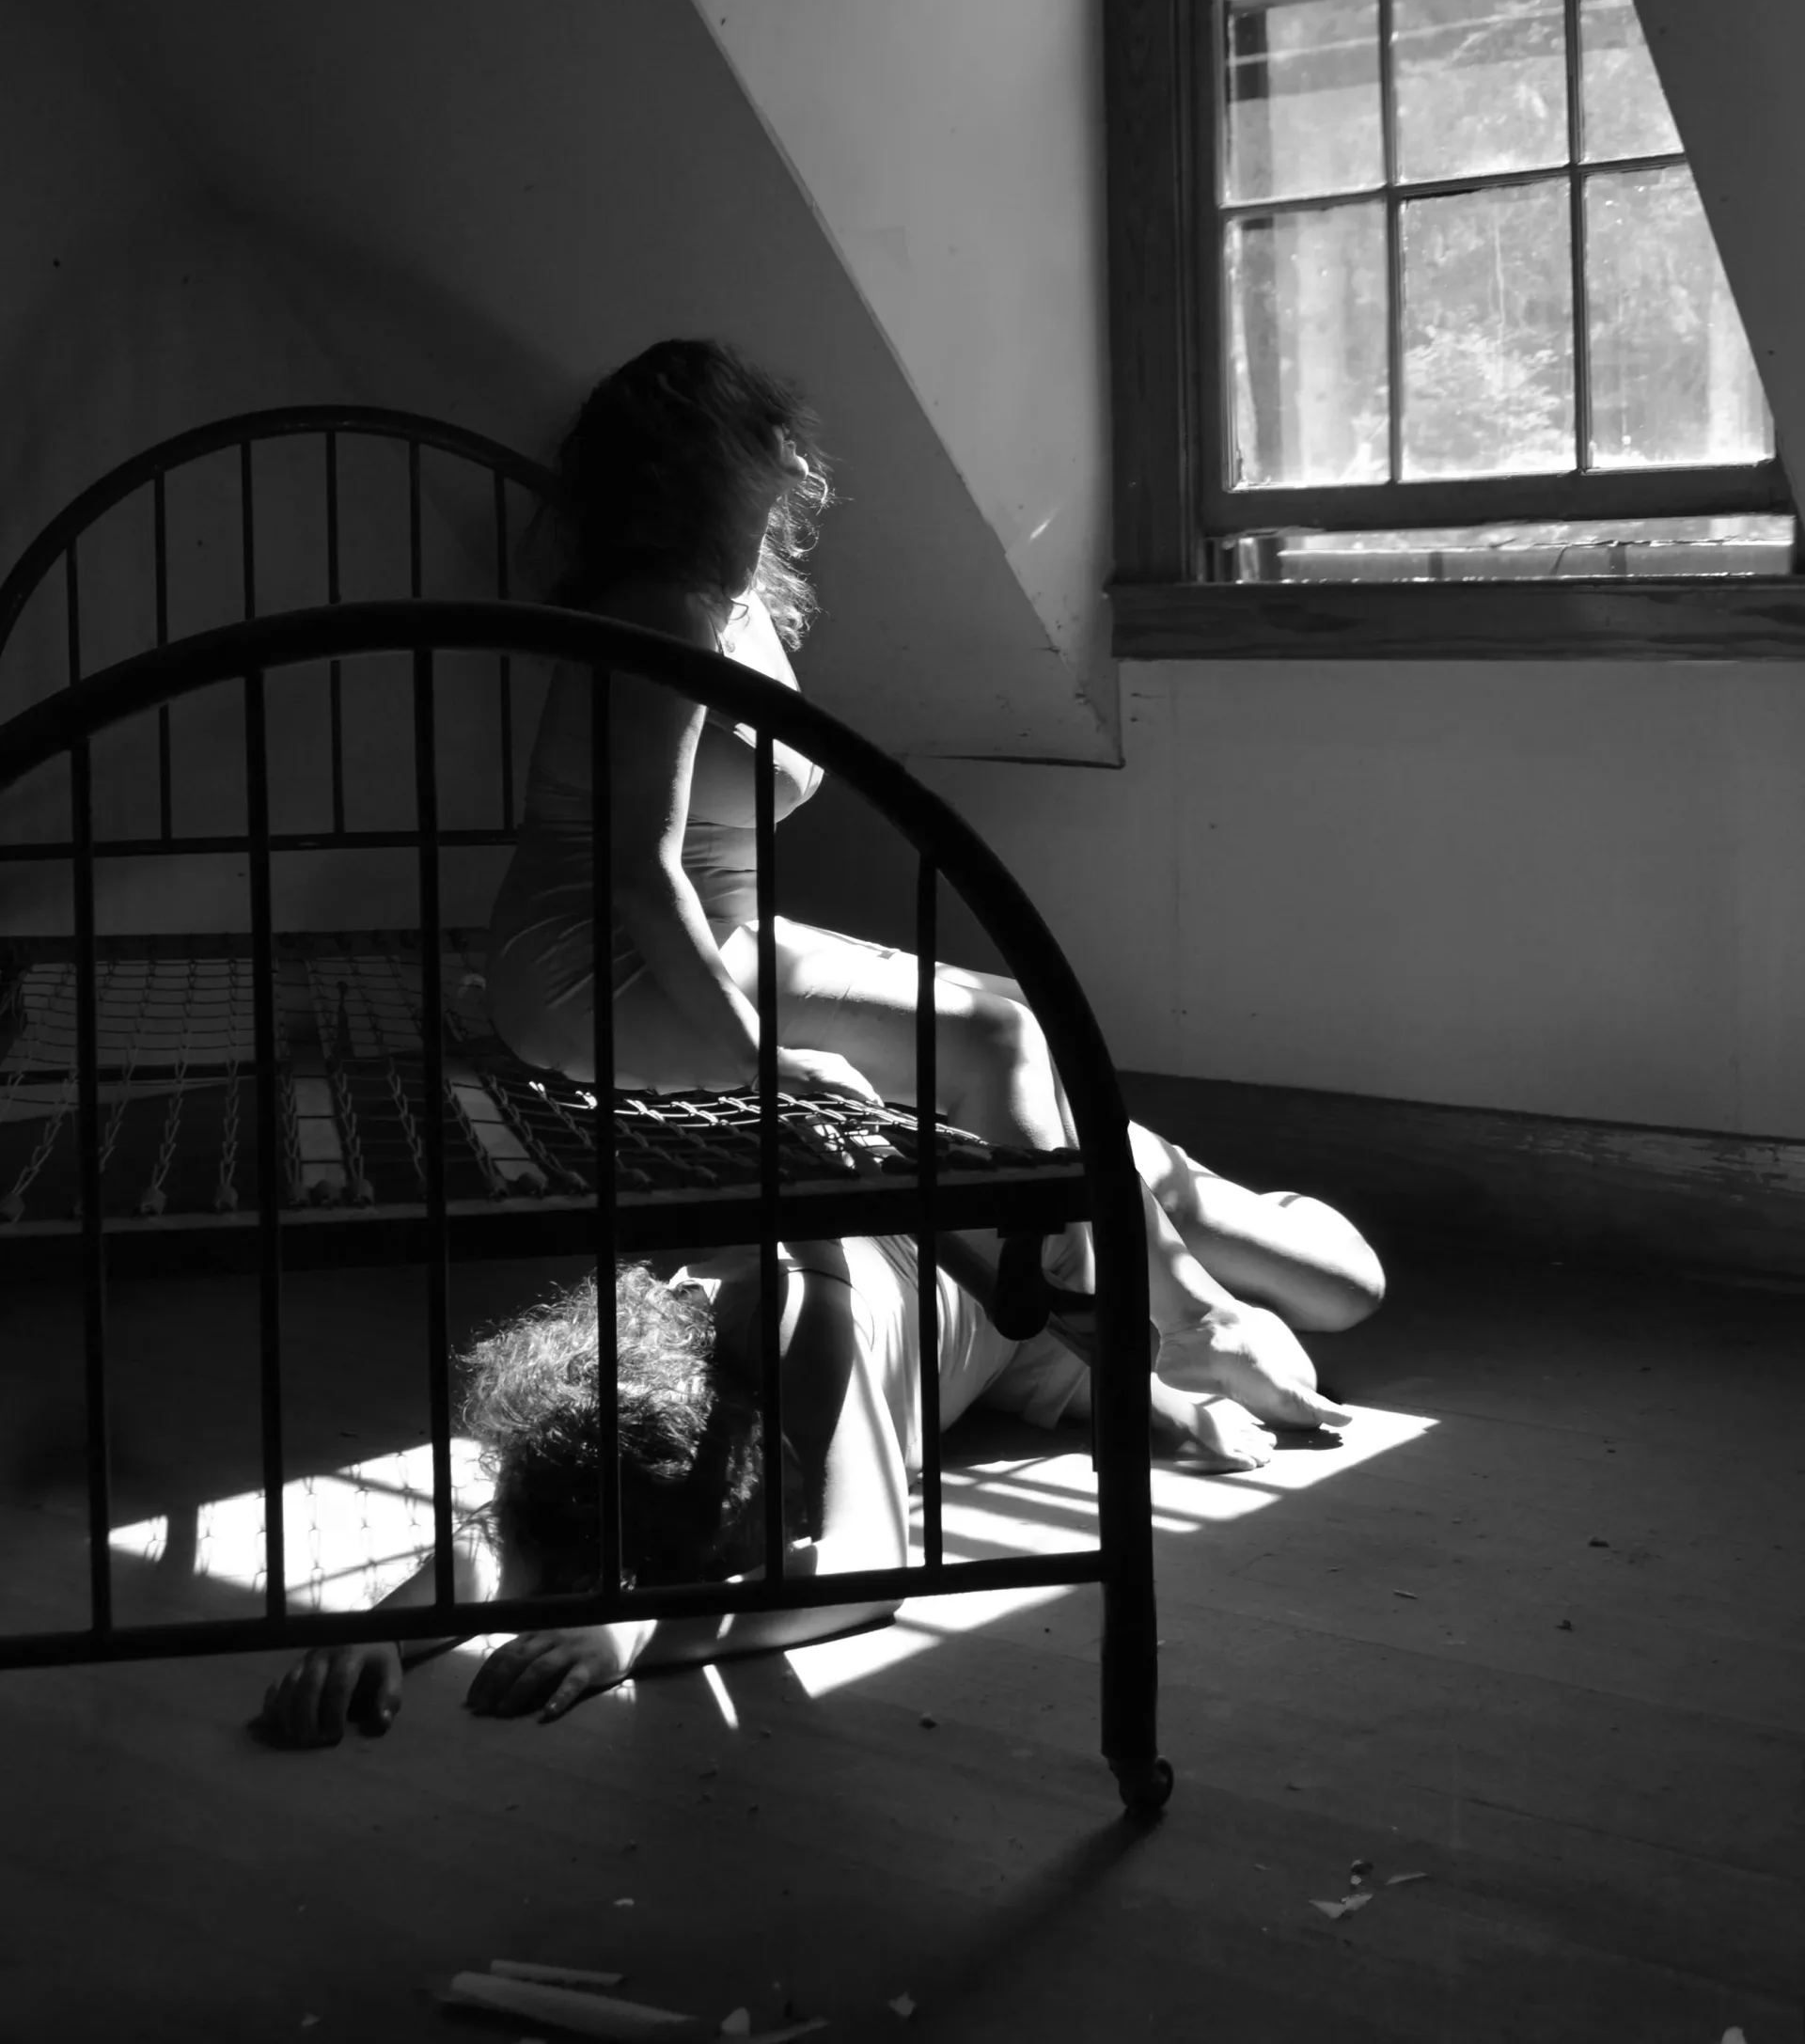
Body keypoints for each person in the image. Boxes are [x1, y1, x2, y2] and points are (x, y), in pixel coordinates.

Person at [483, 338, 1383, 1436]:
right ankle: (1142, 1333)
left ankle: (1126, 1279)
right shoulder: (656, 610)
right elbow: (636, 872)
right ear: (701, 465)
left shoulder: (736, 605)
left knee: (1009, 1015)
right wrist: (763, 1062)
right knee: (997, 1042)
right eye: (763, 446)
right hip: (595, 965)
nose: (791, 468)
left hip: (716, 937)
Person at [254, 1233, 1284, 1750]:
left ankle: (1185, 1240)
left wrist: (642, 1634)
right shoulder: (617, 1353)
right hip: (976, 1356)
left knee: (1338, 1285)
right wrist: (381, 1628)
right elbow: (520, 1529)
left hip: (1017, 1270)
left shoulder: (801, 1328)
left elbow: (872, 1572)